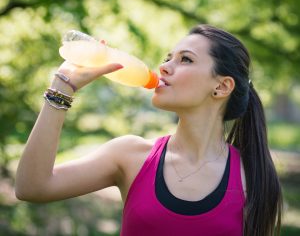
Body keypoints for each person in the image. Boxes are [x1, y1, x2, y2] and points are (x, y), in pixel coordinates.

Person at [15, 24, 282, 236]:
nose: (164, 67)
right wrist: (62, 90)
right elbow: (32, 187)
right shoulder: (129, 155)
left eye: (185, 60)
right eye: (168, 58)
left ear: (222, 87)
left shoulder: (253, 175)